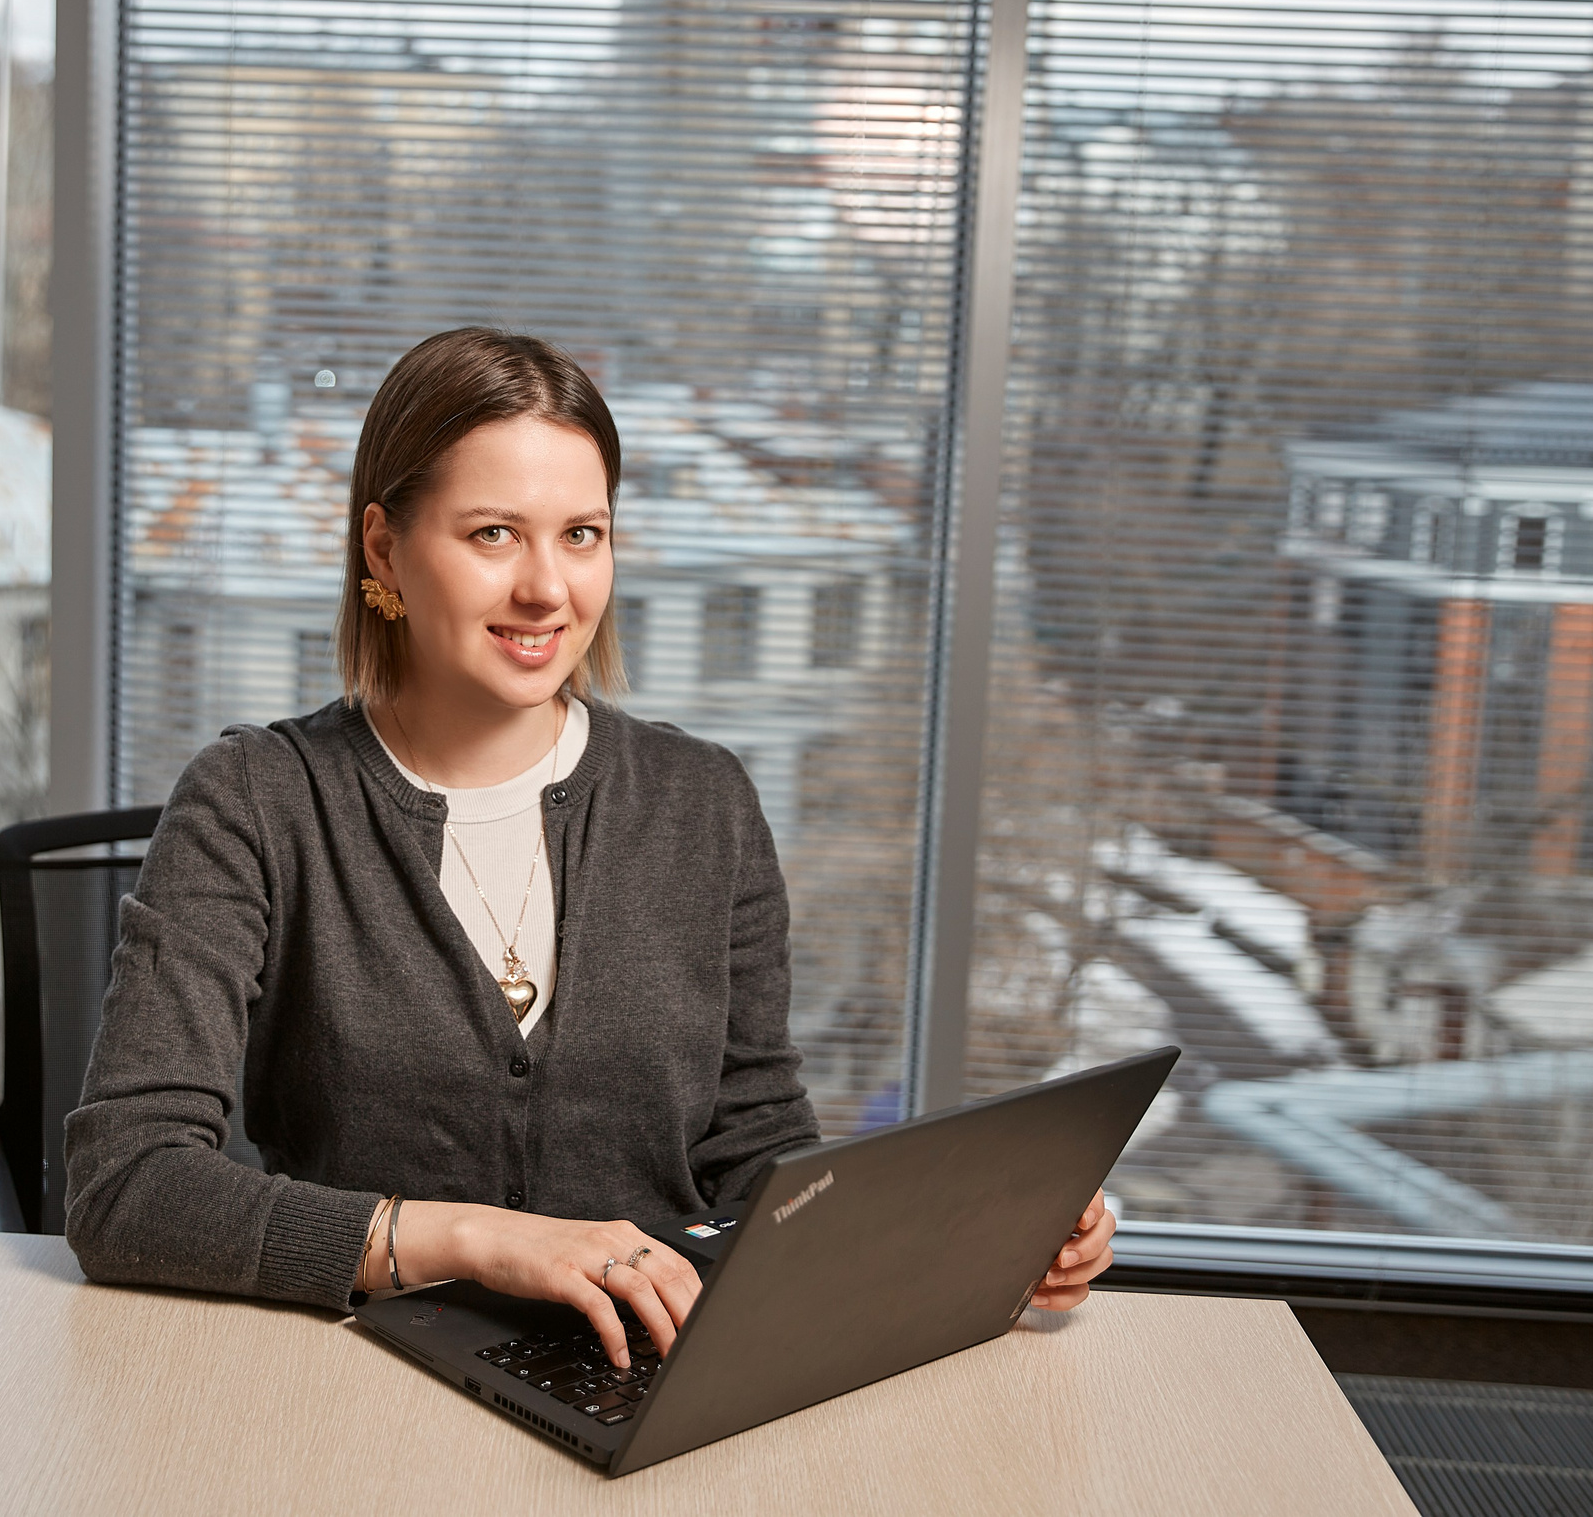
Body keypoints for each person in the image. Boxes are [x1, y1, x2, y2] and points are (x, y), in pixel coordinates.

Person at [63, 327, 1116, 1368]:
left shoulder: (702, 802)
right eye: (491, 534)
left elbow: (758, 1150)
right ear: (383, 547)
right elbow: (126, 1187)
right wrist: (475, 1237)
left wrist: (961, 1252)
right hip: (361, 1379)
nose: (546, 590)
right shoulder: (255, 802)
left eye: (581, 534)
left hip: (645, 1377)